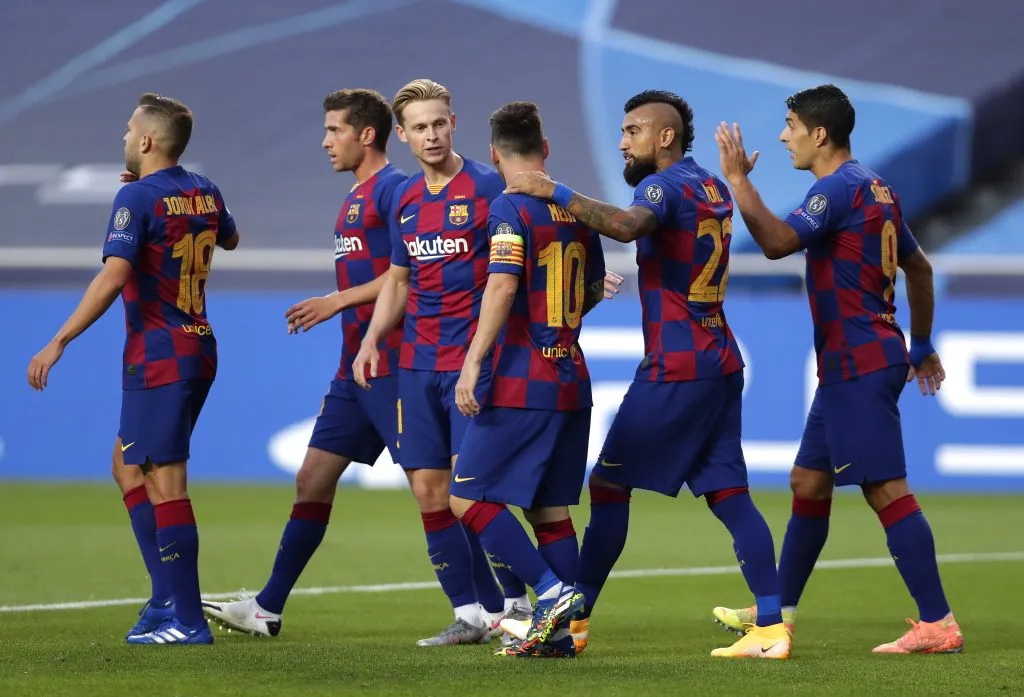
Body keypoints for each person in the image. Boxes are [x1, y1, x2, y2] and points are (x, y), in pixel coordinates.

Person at [503, 89, 789, 659]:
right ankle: (771, 627)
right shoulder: (711, 185)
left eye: (632, 131)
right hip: (719, 358)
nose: (622, 142)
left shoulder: (661, 186)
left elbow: (628, 225)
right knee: (729, 493)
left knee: (609, 485)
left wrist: (553, 190)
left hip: (676, 366)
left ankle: (573, 620)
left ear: (665, 137)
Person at [712, 83, 962, 654]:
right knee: (808, 481)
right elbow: (920, 270)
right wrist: (921, 341)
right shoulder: (877, 187)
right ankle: (777, 613)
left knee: (886, 489)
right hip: (857, 361)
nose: (784, 137)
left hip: (858, 361)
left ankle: (938, 622)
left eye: (791, 126)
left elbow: (777, 242)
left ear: (819, 133)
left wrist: (739, 182)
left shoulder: (836, 190)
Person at [27, 92, 240, 645]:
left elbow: (114, 275)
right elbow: (230, 237)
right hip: (197, 345)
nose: (123, 137)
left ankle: (188, 621)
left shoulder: (137, 198)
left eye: (128, 130)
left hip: (160, 352)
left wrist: (58, 340)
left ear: (146, 140)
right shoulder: (204, 188)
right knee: (127, 466)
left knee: (166, 482)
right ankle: (165, 597)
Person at [201, 88, 408, 638]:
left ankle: (499, 604)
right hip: (354, 370)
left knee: (442, 494)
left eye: (334, 130)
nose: (325, 141)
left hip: (397, 364)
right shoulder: (354, 196)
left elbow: (409, 274)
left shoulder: (395, 190)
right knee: (312, 478)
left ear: (367, 134)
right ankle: (267, 608)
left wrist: (335, 301)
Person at [351, 78, 530, 646]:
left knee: (474, 491)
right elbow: (399, 280)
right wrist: (372, 339)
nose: (431, 135)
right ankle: (471, 614)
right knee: (429, 492)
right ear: (402, 135)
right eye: (419, 127)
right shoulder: (404, 198)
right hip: (417, 364)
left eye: (438, 123)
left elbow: (526, 249)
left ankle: (520, 605)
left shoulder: (488, 185)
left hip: (473, 362)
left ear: (453, 123)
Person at [449, 101, 607, 658]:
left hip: (522, 378)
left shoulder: (508, 208)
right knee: (548, 509)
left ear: (493, 155)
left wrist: (473, 361)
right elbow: (591, 290)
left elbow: (502, 285)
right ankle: (562, 638)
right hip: (571, 376)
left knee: (466, 497)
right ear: (545, 149)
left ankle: (552, 593)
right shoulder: (577, 210)